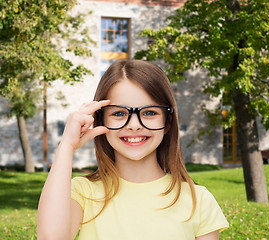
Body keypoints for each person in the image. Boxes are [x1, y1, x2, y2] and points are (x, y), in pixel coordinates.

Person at [37, 59, 229, 240]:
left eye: (149, 112)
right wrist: (66, 147)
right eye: (119, 113)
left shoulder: (199, 199)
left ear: (167, 122)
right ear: (101, 120)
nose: (134, 125)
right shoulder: (82, 192)